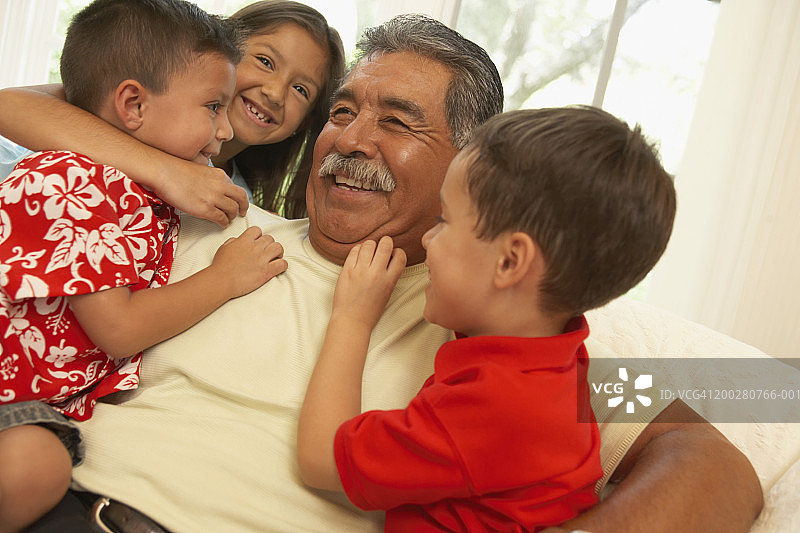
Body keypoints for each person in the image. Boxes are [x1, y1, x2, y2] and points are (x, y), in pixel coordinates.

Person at [30, 14, 761, 533]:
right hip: (59, 503)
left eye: (398, 121)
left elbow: (715, 456)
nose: (349, 137)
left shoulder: (507, 329)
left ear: (472, 165)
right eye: (342, 111)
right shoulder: (210, 222)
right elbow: (19, 108)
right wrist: (162, 167)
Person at [296, 106, 677, 531]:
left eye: (444, 221)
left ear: (510, 261)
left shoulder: (497, 407)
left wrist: (352, 317)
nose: (428, 237)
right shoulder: (559, 359)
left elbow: (321, 457)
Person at [0, 1, 287, 530]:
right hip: (11, 396)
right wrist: (222, 280)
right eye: (212, 106)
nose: (224, 130)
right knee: (36, 469)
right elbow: (119, 327)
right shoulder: (73, 178)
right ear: (132, 104)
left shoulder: (143, 190)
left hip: (31, 408)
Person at [0, 0, 346, 223]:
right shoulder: (133, 104)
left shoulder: (237, 196)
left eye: (301, 90)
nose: (275, 92)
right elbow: (8, 105)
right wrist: (165, 171)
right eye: (264, 61)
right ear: (221, 52)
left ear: (305, 124)